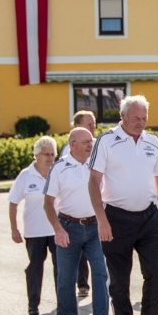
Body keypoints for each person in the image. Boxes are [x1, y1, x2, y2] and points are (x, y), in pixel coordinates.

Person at [88, 95, 158, 315]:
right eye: (136, 118)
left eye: (144, 118)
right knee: (120, 283)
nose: (141, 123)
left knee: (156, 276)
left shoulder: (152, 141)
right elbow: (93, 182)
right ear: (122, 116)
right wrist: (101, 220)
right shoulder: (106, 140)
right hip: (116, 219)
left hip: (149, 217)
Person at [44, 128, 113, 315]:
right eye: (85, 142)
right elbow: (48, 203)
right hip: (68, 227)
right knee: (66, 276)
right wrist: (58, 229)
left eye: (91, 141)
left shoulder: (98, 165)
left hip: (95, 226)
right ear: (72, 145)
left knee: (100, 271)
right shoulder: (59, 168)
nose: (91, 145)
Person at [8, 136, 58, 315]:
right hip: (34, 231)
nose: (50, 158)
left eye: (52, 154)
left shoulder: (58, 172)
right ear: (36, 155)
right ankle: (33, 304)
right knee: (35, 267)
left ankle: (63, 304)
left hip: (57, 230)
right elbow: (13, 202)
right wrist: (14, 228)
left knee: (61, 267)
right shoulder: (25, 175)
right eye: (46, 154)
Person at [61, 110, 97, 299]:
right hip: (74, 214)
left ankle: (102, 295)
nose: (93, 127)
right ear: (77, 127)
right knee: (78, 254)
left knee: (99, 260)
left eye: (94, 124)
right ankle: (82, 283)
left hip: (96, 212)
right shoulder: (66, 153)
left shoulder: (99, 148)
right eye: (89, 124)